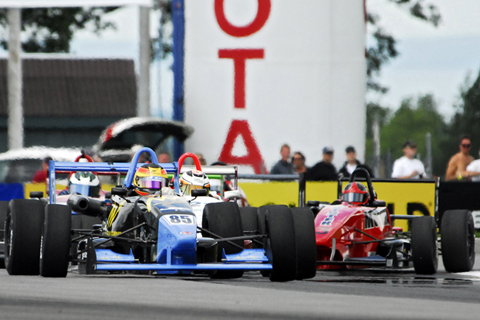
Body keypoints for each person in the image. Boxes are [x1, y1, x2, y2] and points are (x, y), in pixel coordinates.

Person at [107, 163, 170, 235]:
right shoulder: (128, 201)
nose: (153, 188)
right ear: (137, 182)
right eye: (148, 183)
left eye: (159, 184)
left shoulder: (170, 199)